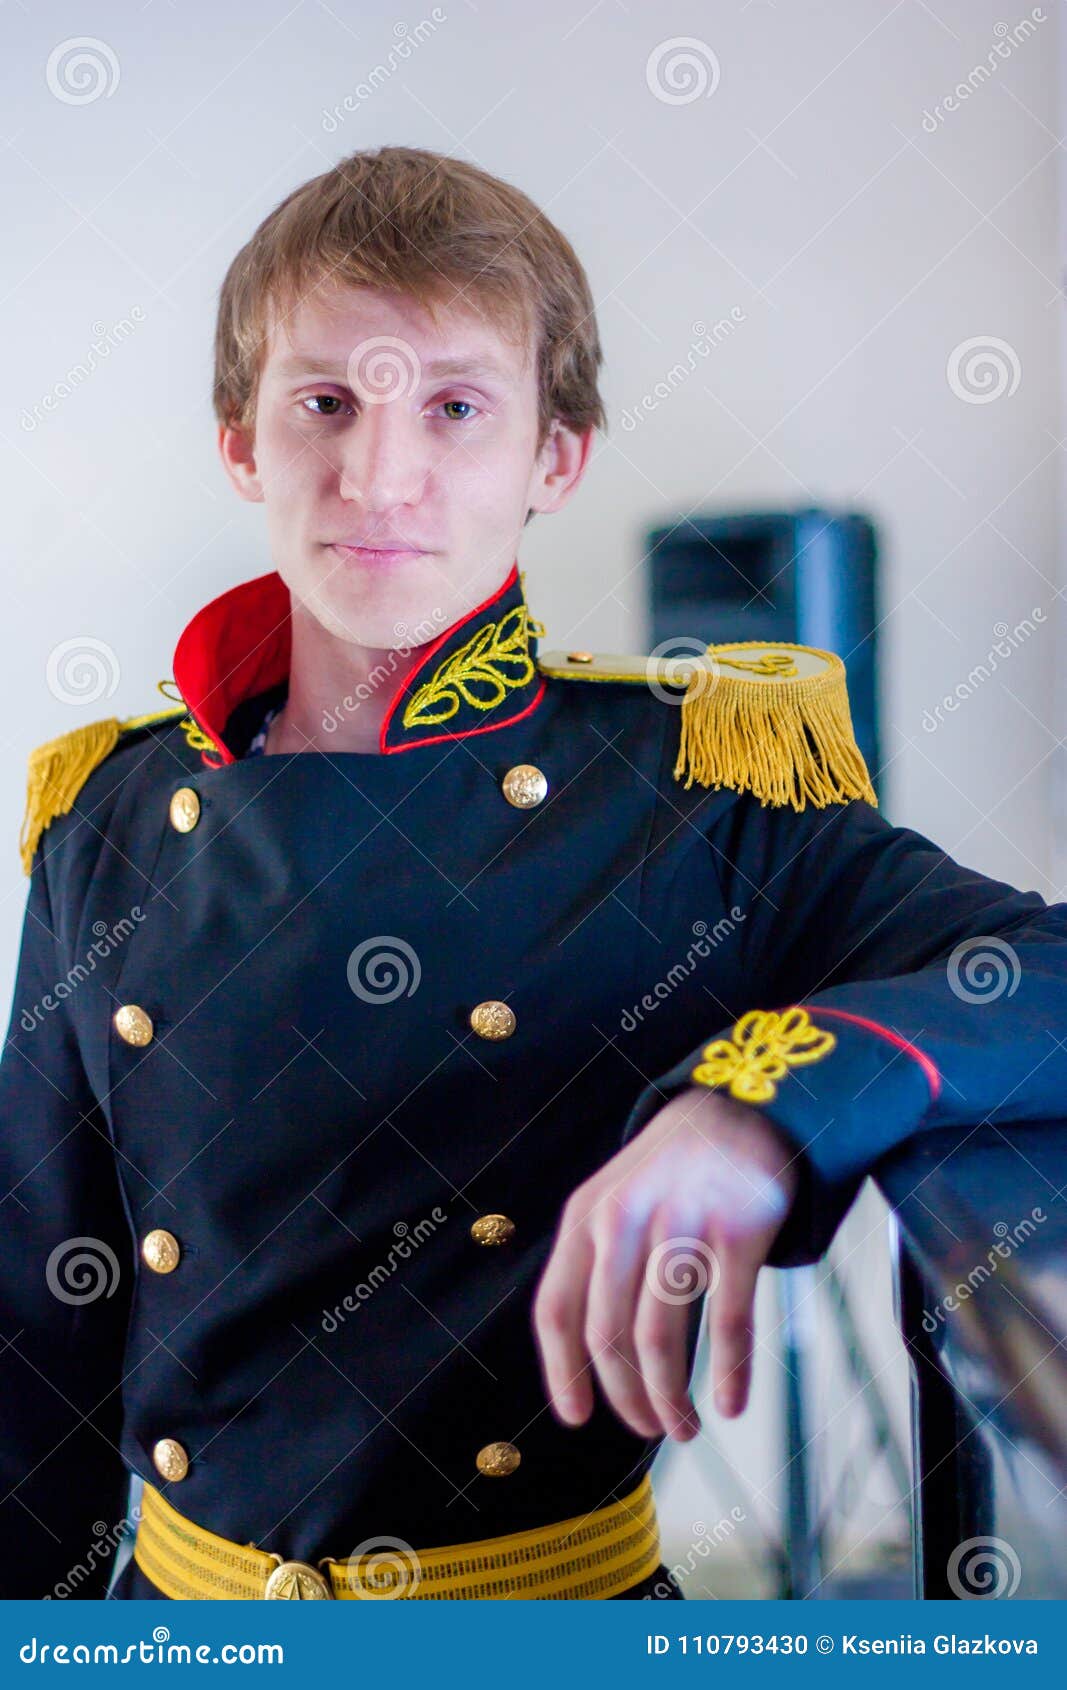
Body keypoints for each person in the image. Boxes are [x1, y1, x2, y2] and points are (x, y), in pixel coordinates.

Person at [3, 144, 1066, 1603]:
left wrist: (757, 1104)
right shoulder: (106, 816)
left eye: (453, 408)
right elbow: (36, 1347)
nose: (380, 472)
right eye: (325, 402)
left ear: (553, 457)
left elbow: (1043, 975)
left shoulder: (698, 786)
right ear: (241, 441)